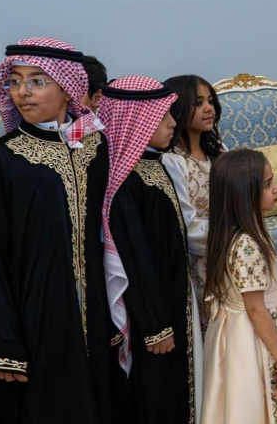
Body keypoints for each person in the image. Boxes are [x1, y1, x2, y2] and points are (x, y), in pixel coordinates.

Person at [0, 37, 114, 422]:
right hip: (34, 315)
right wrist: (4, 341)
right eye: (15, 81)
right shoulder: (0, 159)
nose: (22, 92)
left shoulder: (97, 148)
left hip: (99, 310)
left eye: (37, 81)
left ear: (67, 88)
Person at [99, 75, 202, 423]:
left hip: (173, 299)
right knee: (156, 394)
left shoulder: (154, 164)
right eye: (162, 116)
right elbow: (133, 260)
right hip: (152, 316)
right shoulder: (125, 182)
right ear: (134, 121)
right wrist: (154, 326)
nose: (173, 123)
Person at [201, 148, 277, 424]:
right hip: (257, 338)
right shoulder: (247, 245)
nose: (276, 188)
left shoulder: (235, 232)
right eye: (267, 185)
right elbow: (255, 308)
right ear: (243, 194)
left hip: (240, 331)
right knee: (262, 401)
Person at [161, 74, 226, 333]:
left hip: (229, 249)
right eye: (198, 103)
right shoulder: (173, 161)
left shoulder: (218, 150)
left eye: (210, 101)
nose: (208, 108)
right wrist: (228, 232)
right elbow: (186, 223)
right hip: (199, 259)